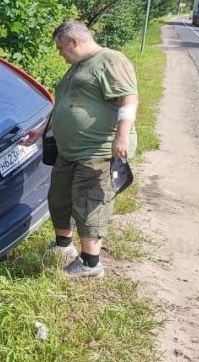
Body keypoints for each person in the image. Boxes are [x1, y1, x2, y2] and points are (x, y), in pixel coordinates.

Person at [29, 21, 139, 278]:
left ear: (73, 42)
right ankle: (63, 246)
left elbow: (129, 98)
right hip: (69, 151)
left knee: (90, 202)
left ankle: (90, 263)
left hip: (97, 150)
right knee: (60, 197)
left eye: (60, 48)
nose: (60, 54)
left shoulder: (110, 60)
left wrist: (121, 136)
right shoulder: (78, 67)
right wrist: (42, 130)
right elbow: (65, 104)